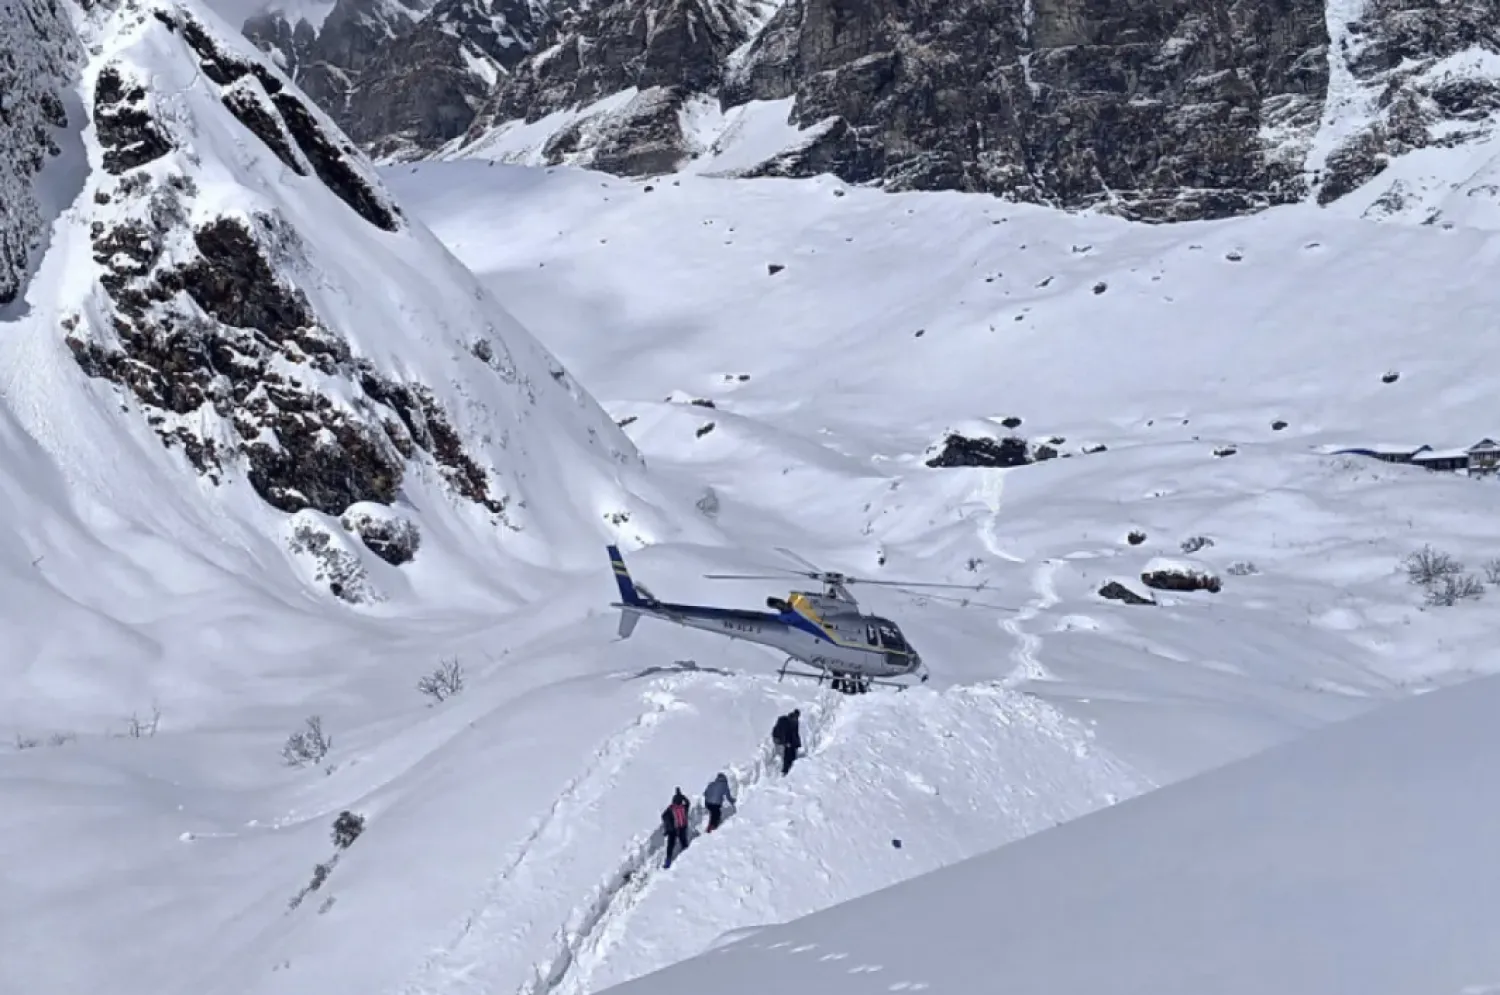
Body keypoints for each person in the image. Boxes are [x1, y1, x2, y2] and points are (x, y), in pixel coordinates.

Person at [662, 788, 690, 868]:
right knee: (684, 842)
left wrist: (668, 827)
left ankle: (668, 861)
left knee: (670, 846)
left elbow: (664, 816)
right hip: (682, 827)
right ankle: (687, 858)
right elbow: (688, 803)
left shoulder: (671, 808)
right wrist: (683, 796)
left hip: (673, 830)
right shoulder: (684, 807)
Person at [771, 708, 802, 775]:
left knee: (790, 753)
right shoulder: (786, 721)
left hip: (787, 741)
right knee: (787, 755)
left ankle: (789, 769)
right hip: (783, 740)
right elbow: (784, 732)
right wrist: (785, 742)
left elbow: (795, 733)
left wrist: (797, 744)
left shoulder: (794, 721)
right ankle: (785, 771)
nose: (797, 718)